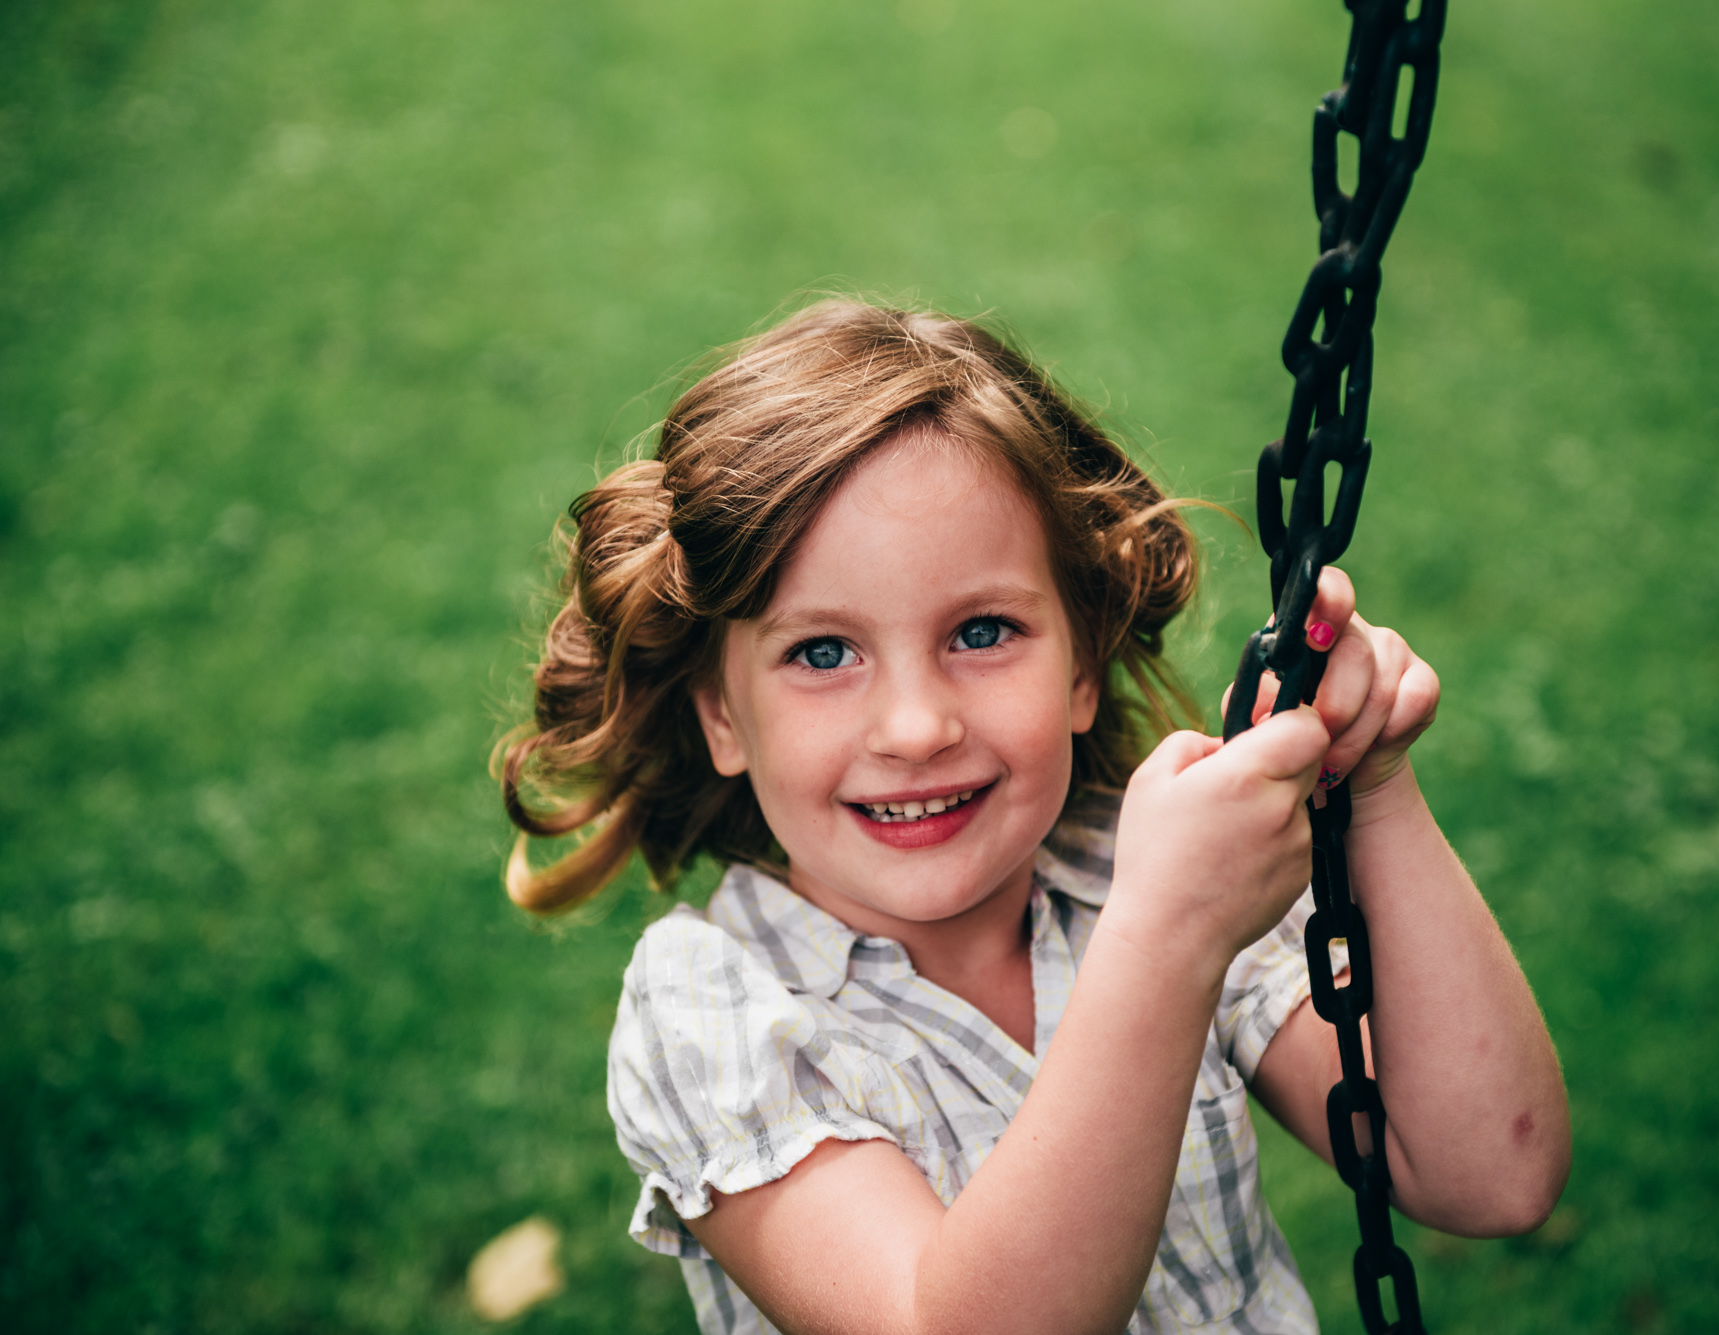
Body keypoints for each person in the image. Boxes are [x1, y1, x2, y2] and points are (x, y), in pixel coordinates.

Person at [499, 299, 1570, 1334]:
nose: (915, 727)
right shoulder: (713, 1010)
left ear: (1080, 667)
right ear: (721, 717)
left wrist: (1369, 783)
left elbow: (1492, 1174)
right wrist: (1165, 944)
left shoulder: (1132, 863)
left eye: (981, 632)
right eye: (821, 653)